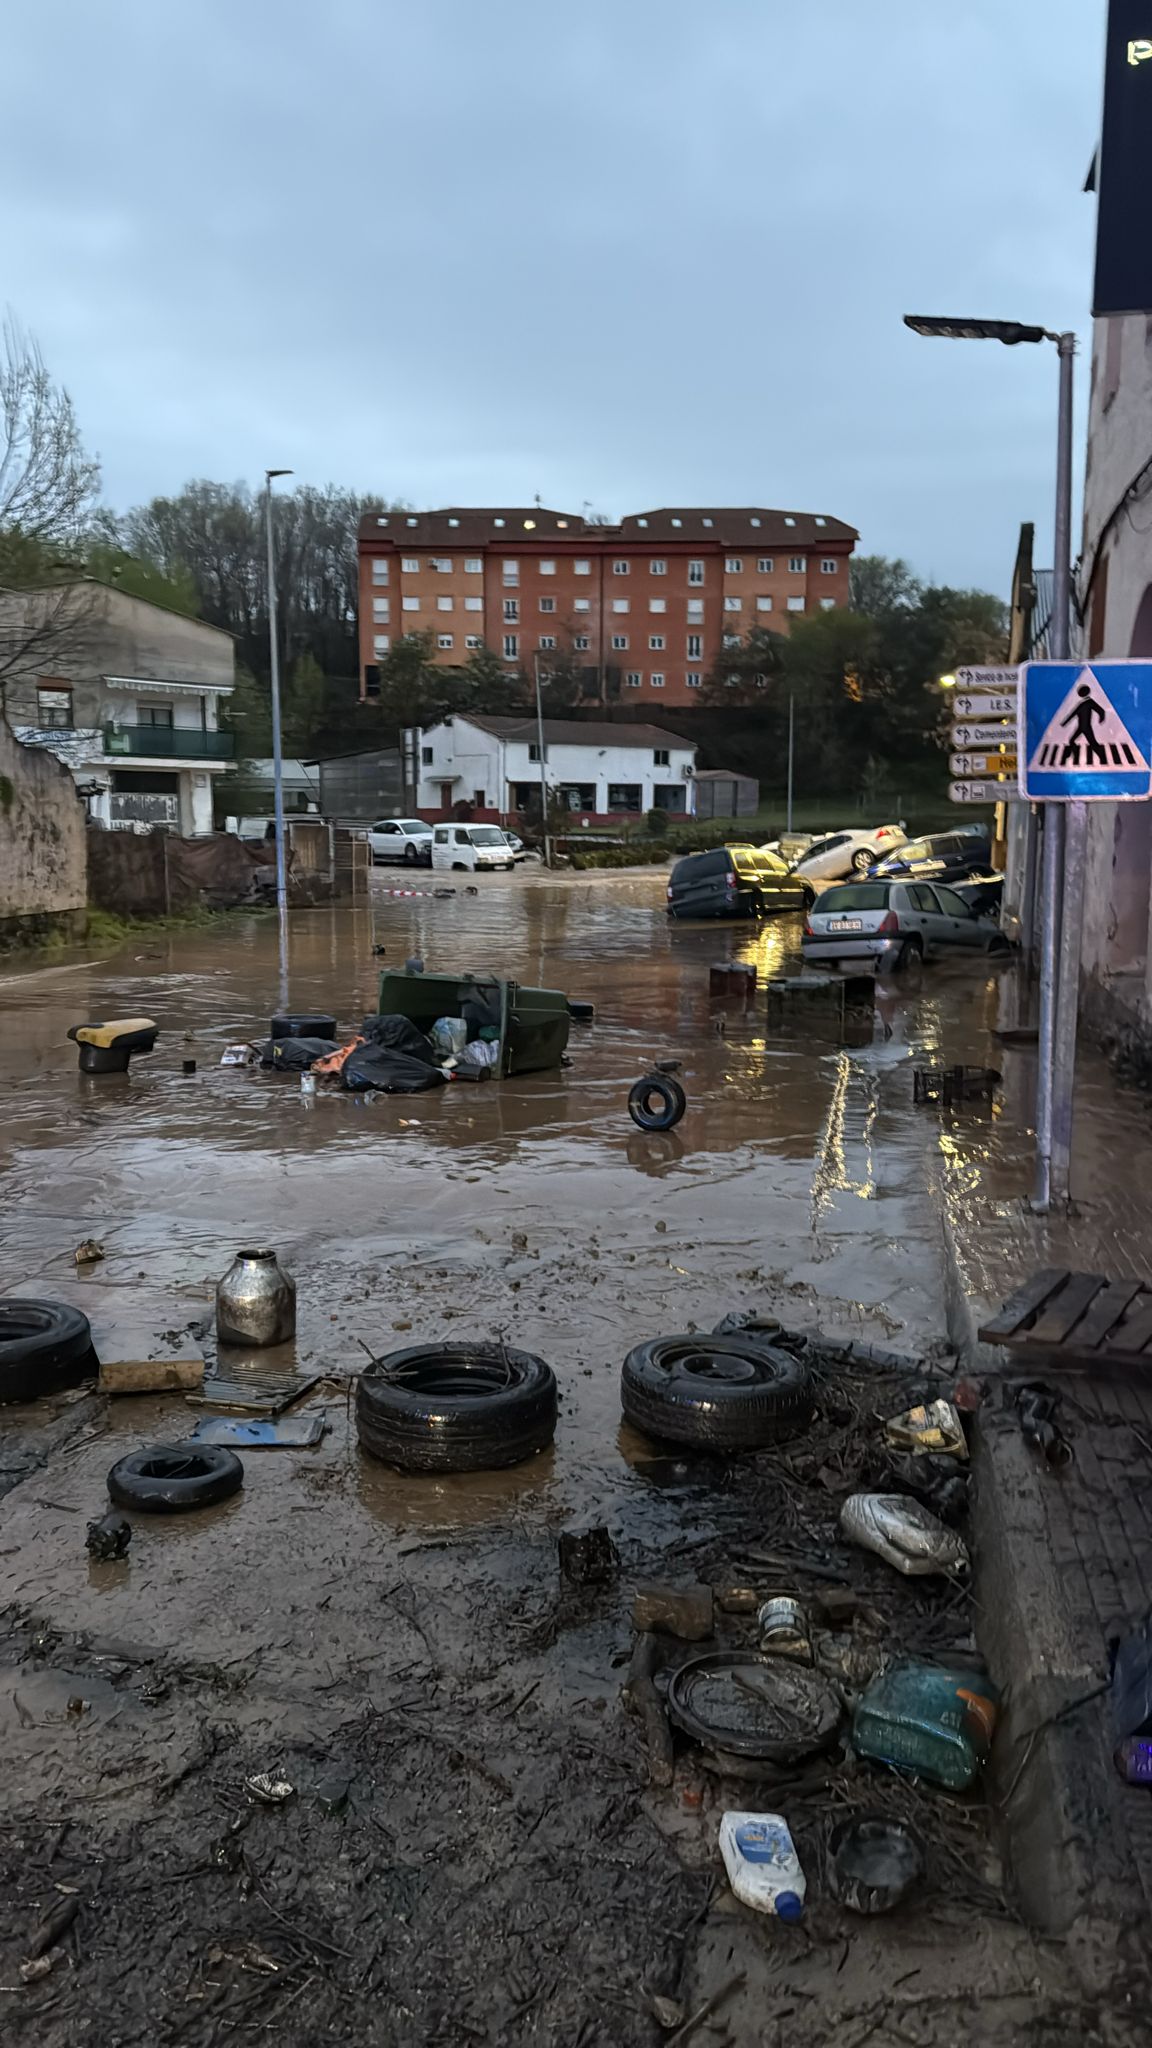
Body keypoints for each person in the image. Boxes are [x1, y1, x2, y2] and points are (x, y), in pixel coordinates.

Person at [1060, 684, 1106, 765]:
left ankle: (1102, 757)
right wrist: (1064, 723)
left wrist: (1101, 718)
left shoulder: (1088, 703)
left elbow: (1101, 710)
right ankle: (1069, 754)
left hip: (1086, 728)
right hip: (1081, 727)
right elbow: (1073, 714)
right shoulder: (1084, 703)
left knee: (1092, 743)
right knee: (1072, 740)